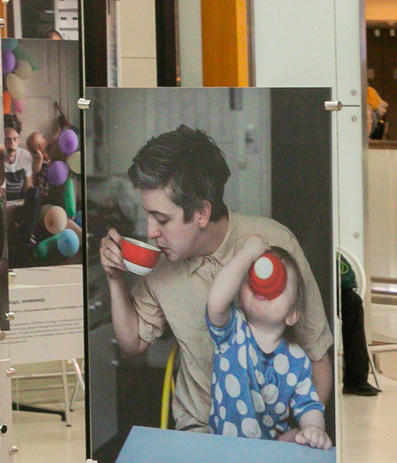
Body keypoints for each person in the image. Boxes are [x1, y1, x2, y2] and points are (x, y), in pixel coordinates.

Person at [98, 125, 335, 434]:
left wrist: (300, 433)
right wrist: (114, 279)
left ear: (201, 213)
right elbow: (131, 345)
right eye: (148, 215)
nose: (150, 231)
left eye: (162, 219)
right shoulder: (162, 264)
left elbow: (317, 356)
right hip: (199, 427)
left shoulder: (275, 243)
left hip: (275, 431)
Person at [203, 239, 332, 449]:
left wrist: (313, 429)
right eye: (252, 278)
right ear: (240, 296)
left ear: (292, 315)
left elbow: (309, 406)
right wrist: (246, 255)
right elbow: (216, 302)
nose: (264, 284)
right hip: (223, 449)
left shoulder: (297, 360)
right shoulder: (232, 331)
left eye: (280, 285)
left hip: (272, 455)